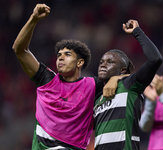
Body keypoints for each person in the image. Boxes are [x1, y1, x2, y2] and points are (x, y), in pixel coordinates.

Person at [12, 3, 124, 150]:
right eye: (59, 55)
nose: (61, 58)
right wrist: (33, 19)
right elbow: (20, 50)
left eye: (67, 55)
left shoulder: (93, 85)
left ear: (80, 62)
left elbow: (133, 80)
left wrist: (115, 79)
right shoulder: (47, 80)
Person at [93, 19, 163, 150]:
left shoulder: (129, 84)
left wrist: (137, 32)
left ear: (123, 70)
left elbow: (155, 59)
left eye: (110, 62)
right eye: (101, 62)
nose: (103, 64)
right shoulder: (97, 98)